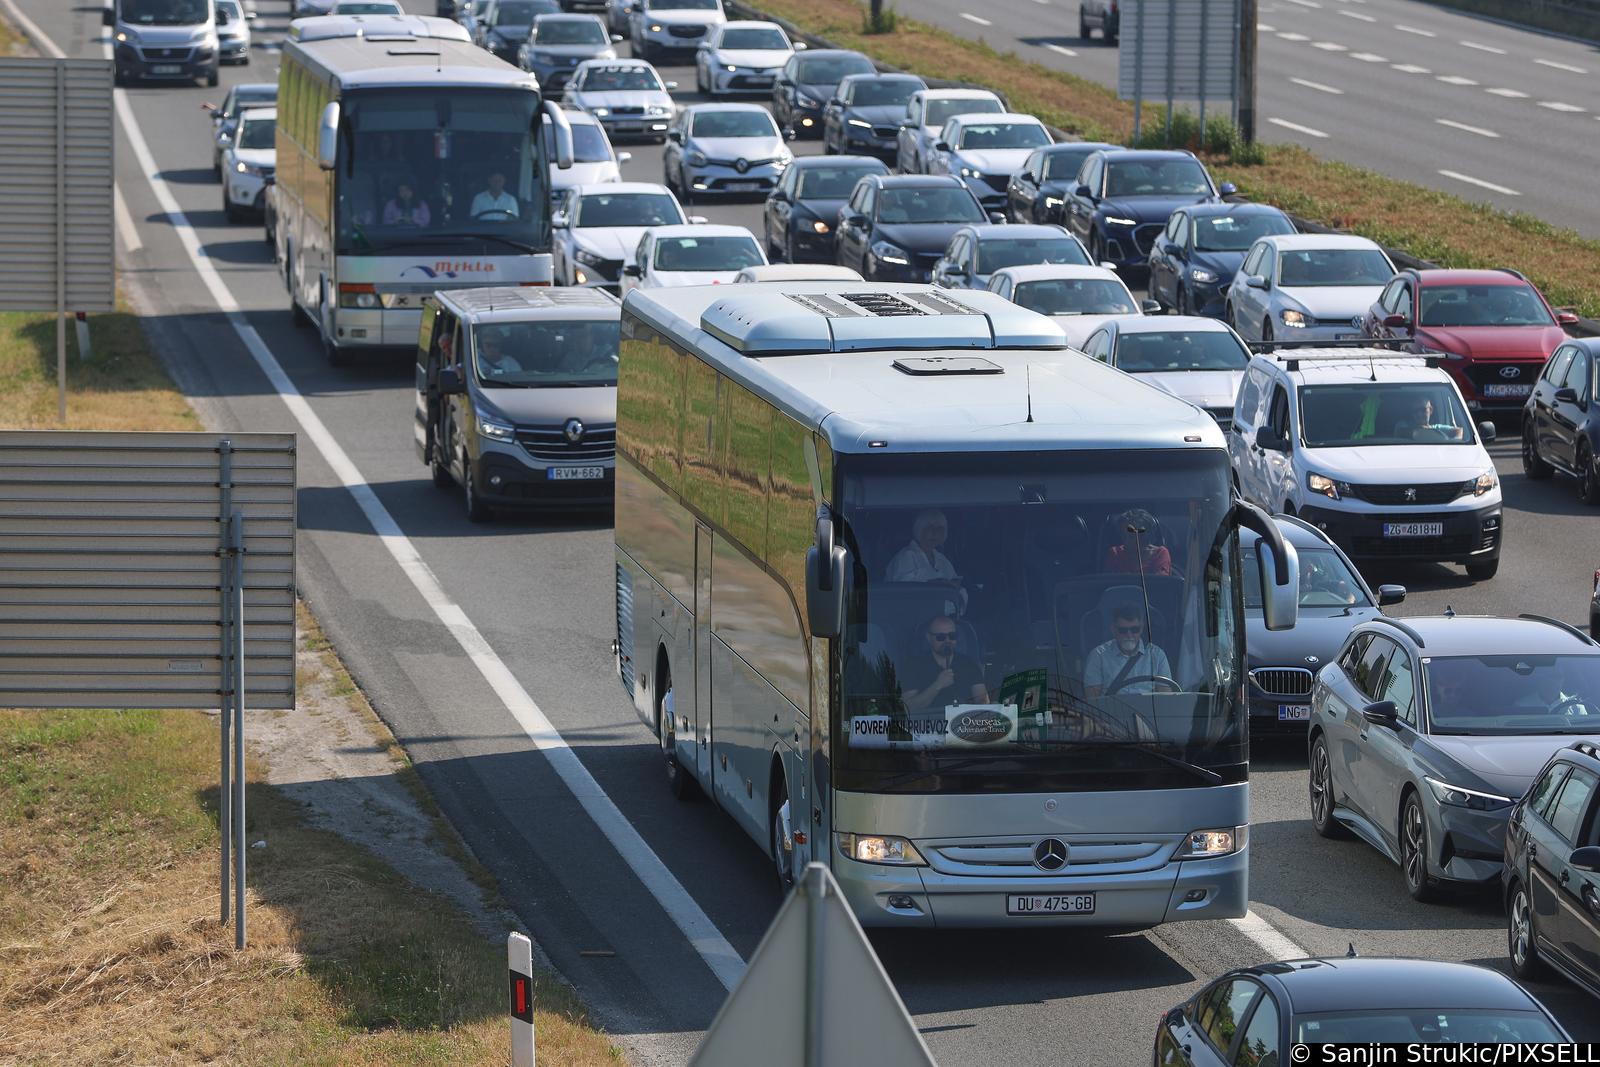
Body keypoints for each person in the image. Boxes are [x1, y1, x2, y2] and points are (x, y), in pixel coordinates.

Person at [899, 613, 990, 713]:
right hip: (926, 725)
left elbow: (982, 700)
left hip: (963, 725)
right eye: (941, 637)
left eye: (952, 636)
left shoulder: (969, 664)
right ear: (928, 638)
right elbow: (907, 708)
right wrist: (938, 685)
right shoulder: (913, 666)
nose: (947, 641)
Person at [1084, 603, 1173, 699]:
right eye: (1123, 630)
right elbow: (1093, 701)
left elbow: (1165, 698)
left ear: (1142, 628)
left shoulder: (1157, 655)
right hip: (1111, 712)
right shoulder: (1098, 656)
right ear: (1113, 629)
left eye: (1134, 629)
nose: (1129, 635)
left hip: (1148, 712)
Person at [885, 509, 968, 612]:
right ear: (919, 529)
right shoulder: (906, 556)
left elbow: (959, 591)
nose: (934, 533)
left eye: (939, 528)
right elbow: (902, 591)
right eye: (930, 527)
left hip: (944, 620)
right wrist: (938, 584)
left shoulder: (942, 559)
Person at [1102, 509, 1172, 576]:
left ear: (1149, 534)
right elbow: (1109, 583)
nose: (1137, 538)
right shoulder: (1115, 554)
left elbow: (1161, 583)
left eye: (1141, 533)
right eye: (1128, 534)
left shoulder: (1160, 553)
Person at [1395, 395, 1464, 441]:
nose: (1419, 414)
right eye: (1415, 411)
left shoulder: (1437, 427)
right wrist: (1422, 430)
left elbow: (1459, 430)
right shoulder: (1404, 425)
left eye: (1423, 410)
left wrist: (1454, 441)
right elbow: (1400, 432)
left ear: (1431, 410)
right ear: (1412, 413)